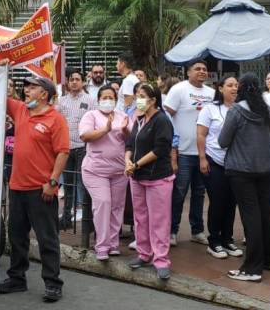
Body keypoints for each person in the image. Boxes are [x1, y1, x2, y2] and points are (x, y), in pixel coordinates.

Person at [0, 65, 69, 304]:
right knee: (17, 236)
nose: (26, 90)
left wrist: (52, 182)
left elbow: (62, 153)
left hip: (41, 189)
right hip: (17, 187)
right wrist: (1, 71)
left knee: (47, 238)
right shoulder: (20, 111)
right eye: (26, 86)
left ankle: (52, 283)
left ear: (44, 94)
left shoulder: (55, 119)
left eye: (32, 87)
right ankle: (17, 278)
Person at [218, 73, 270, 282]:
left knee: (251, 217)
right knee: (267, 215)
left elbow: (223, 141)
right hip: (265, 168)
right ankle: (269, 259)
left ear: (241, 87)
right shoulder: (268, 111)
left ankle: (252, 268)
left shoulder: (236, 111)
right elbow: (269, 135)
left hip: (241, 171)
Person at [125, 82, 175, 280]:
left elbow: (160, 149)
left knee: (159, 220)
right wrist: (128, 160)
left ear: (153, 100)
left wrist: (136, 164)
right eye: (137, 94)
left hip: (157, 177)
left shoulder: (162, 120)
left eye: (142, 95)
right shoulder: (138, 119)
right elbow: (130, 143)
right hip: (136, 176)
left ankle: (161, 259)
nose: (138, 99)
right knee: (141, 217)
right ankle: (144, 253)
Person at [164, 60, 215, 246]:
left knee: (199, 193)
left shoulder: (211, 93)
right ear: (188, 72)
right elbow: (167, 117)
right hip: (183, 152)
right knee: (178, 193)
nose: (202, 71)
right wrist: (173, 150)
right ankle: (171, 231)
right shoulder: (178, 89)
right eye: (197, 69)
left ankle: (197, 230)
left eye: (204, 69)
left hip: (204, 153)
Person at [79, 85, 130, 260]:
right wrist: (104, 130)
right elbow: (85, 136)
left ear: (116, 100)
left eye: (111, 97)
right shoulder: (91, 115)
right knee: (103, 203)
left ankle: (113, 244)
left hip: (119, 170)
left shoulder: (123, 116)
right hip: (95, 170)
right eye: (104, 97)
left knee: (116, 207)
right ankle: (101, 246)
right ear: (99, 99)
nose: (108, 100)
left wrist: (125, 131)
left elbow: (131, 139)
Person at [197, 77, 243, 260]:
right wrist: (202, 158)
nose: (234, 88)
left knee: (232, 202)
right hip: (214, 160)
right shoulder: (210, 109)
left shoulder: (241, 109)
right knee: (218, 201)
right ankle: (214, 241)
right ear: (220, 88)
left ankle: (227, 239)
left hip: (236, 163)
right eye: (230, 85)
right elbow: (201, 134)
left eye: (236, 86)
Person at [57, 68, 94, 228]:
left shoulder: (91, 100)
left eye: (77, 79)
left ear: (83, 81)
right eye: (71, 79)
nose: (74, 82)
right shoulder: (62, 101)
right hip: (66, 147)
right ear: (67, 81)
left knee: (85, 183)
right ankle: (66, 218)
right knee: (68, 184)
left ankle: (87, 220)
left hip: (83, 147)